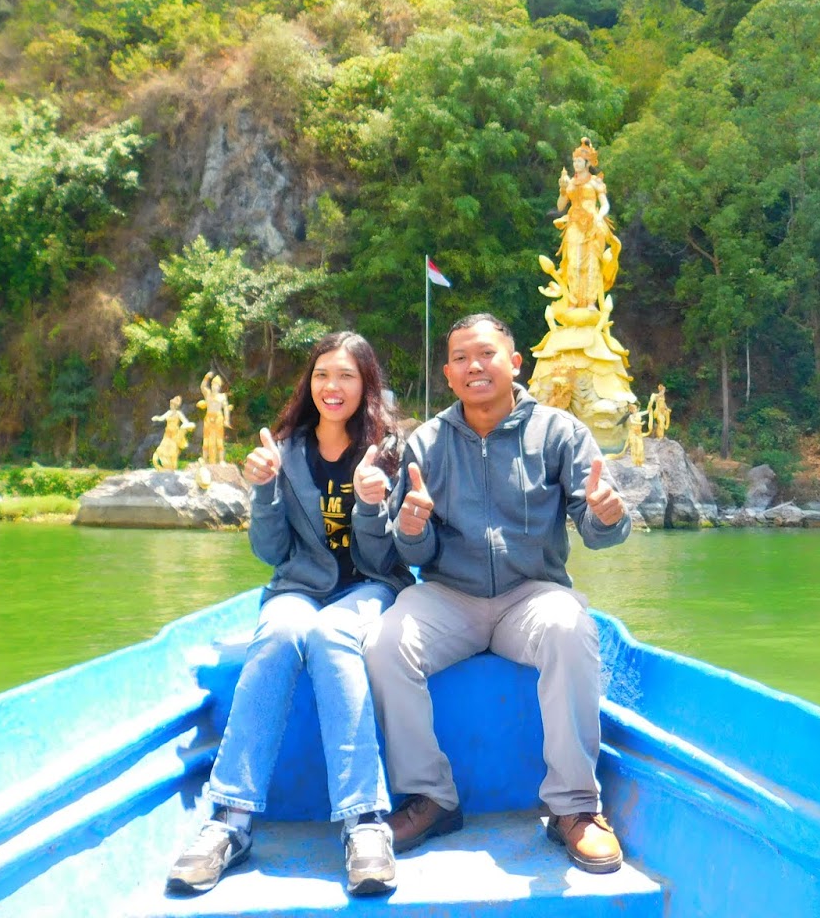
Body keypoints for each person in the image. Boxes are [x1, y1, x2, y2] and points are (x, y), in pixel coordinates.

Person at [356, 314, 631, 873]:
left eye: (486, 354)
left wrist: (608, 515)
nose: (474, 366)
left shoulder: (558, 433)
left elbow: (599, 529)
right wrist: (411, 528)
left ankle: (574, 807)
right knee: (385, 644)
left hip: (531, 593)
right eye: (460, 358)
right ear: (448, 374)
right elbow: (412, 552)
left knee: (570, 628)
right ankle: (429, 797)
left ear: (515, 363)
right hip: (448, 595)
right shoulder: (427, 442)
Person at [167, 332, 412, 897]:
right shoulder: (286, 449)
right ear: (309, 382)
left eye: (346, 375)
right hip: (298, 586)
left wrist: (371, 505)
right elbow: (272, 552)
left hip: (369, 587)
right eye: (323, 374)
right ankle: (230, 820)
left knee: (331, 635)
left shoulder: (389, 452)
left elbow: (387, 559)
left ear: (366, 384)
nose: (333, 386)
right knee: (278, 633)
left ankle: (364, 821)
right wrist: (264, 490)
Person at [552, 138, 621, 311]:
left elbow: (605, 204)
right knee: (573, 262)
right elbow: (560, 206)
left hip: (592, 225)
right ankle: (573, 300)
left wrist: (600, 216)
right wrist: (562, 190)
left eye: (579, 161)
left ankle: (590, 301)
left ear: (587, 163)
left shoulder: (595, 182)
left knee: (591, 263)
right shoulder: (570, 183)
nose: (576, 164)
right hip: (574, 224)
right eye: (574, 161)